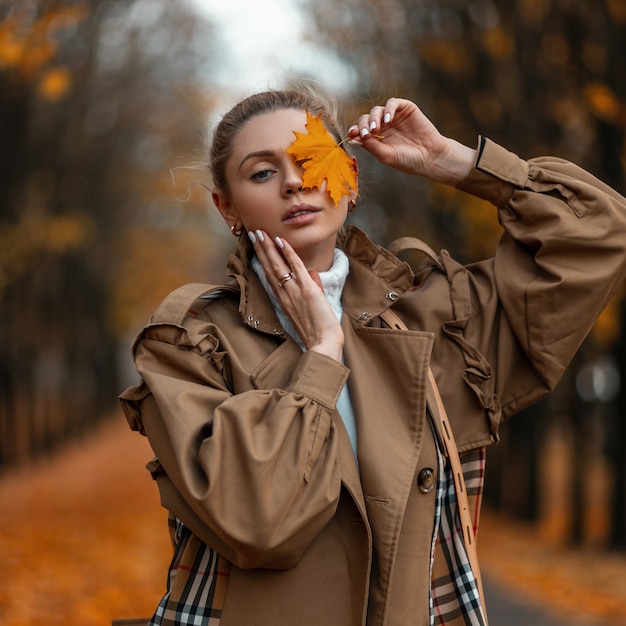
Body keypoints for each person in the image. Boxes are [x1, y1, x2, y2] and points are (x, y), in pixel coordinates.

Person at [118, 85, 626, 626]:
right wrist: (321, 354)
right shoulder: (189, 346)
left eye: (312, 159)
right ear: (227, 208)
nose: (294, 182)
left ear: (352, 179)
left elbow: (601, 234)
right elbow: (257, 524)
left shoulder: (437, 321)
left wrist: (455, 163)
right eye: (263, 173)